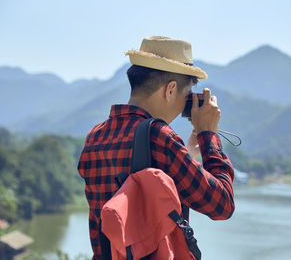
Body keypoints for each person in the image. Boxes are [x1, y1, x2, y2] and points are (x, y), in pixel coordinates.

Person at [78, 36, 235, 260]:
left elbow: (133, 192)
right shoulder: (159, 136)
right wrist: (209, 135)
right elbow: (222, 204)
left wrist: (187, 156)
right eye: (187, 94)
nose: (186, 103)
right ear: (170, 89)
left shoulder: (95, 137)